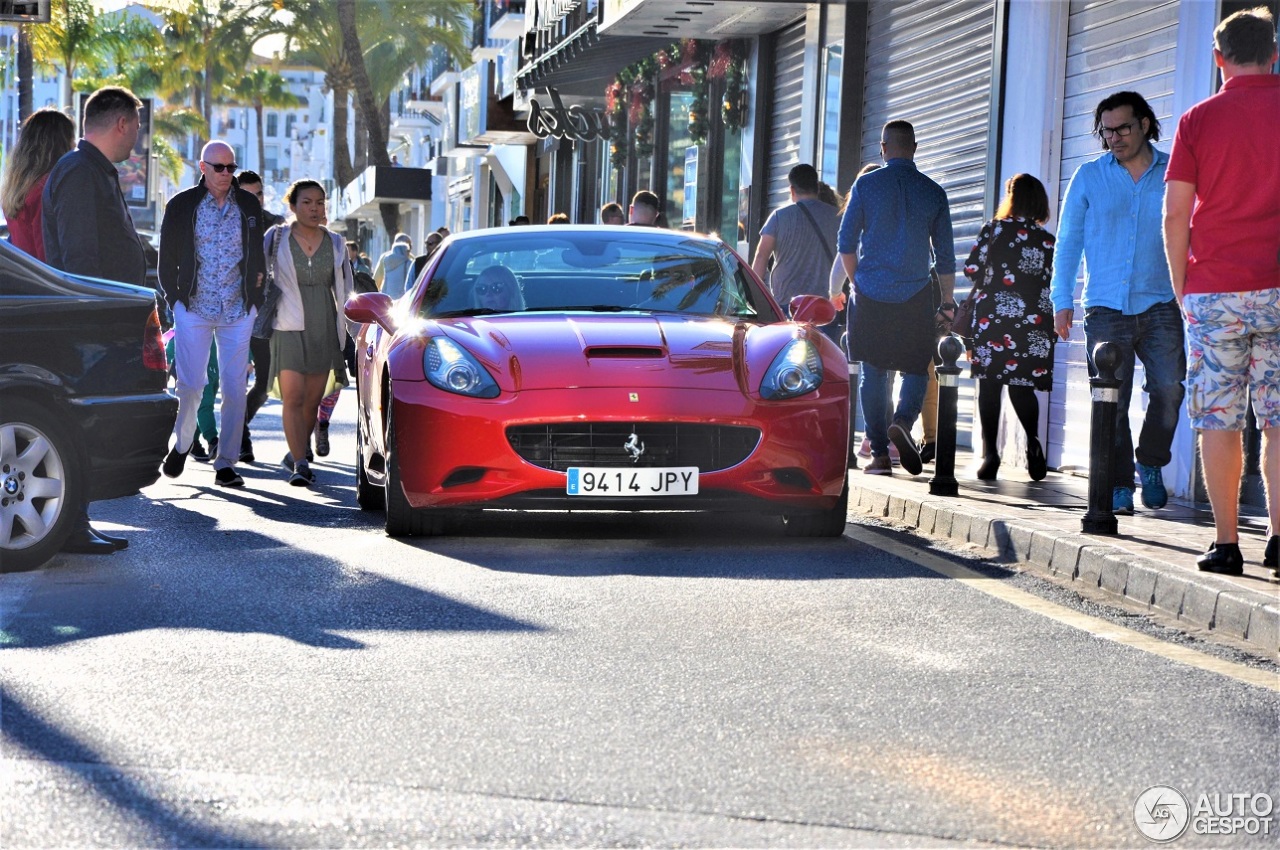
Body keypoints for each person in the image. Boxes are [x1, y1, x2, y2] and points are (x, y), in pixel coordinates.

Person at [1163, 7, 1279, 576]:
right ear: (1274, 52)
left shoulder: (1197, 120)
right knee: (1279, 419)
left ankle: (1228, 544)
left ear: (1218, 59)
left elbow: (1175, 215)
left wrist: (1184, 290)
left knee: (1219, 418)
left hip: (1214, 292)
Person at [1049, 90, 1185, 516]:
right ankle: (1120, 484)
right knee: (1113, 400)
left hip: (1162, 302)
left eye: (1123, 128)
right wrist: (1060, 299)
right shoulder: (1089, 176)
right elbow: (1068, 241)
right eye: (1107, 131)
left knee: (1169, 389)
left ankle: (1150, 461)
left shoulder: (1174, 172)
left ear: (1145, 124)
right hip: (1105, 307)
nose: (1114, 138)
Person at [41, 87, 149, 555]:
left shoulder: (93, 171)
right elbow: (79, 257)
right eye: (137, 126)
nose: (138, 139)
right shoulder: (80, 172)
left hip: (100, 323)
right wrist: (104, 316)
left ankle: (74, 521)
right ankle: (71, 524)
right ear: (121, 123)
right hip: (90, 327)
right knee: (83, 424)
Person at [833, 120, 956, 477]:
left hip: (870, 295)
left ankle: (880, 454)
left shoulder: (866, 185)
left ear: (883, 148)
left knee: (872, 370)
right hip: (916, 295)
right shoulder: (933, 192)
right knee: (916, 366)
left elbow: (845, 242)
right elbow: (945, 257)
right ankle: (902, 420)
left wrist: (858, 282)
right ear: (914, 148)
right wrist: (946, 300)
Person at [158, 140, 267, 489]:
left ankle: (226, 462)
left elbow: (257, 255)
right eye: (218, 167)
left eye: (231, 168)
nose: (225, 174)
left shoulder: (248, 205)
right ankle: (183, 443)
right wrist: (174, 299)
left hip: (237, 309)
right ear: (202, 167)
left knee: (235, 387)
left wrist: (256, 298)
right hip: (193, 307)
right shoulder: (181, 205)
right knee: (191, 385)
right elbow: (166, 258)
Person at [961, 174, 1057, 481]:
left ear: (1011, 198)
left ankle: (991, 455)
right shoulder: (1047, 240)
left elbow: (971, 268)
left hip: (994, 318)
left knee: (989, 386)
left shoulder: (994, 230)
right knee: (1022, 386)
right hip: (1034, 321)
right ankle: (1033, 443)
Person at [266, 179, 354, 486]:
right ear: (292, 206)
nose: (314, 208)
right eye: (307, 202)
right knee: (293, 396)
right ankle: (301, 463)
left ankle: (296, 451)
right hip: (287, 323)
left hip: (324, 324)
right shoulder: (276, 238)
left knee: (311, 402)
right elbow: (258, 275)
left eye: (319, 202)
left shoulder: (337, 243)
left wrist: (352, 329)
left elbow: (346, 289)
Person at [752, 163, 840, 341]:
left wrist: (755, 297)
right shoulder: (838, 216)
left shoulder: (778, 217)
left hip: (788, 305)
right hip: (825, 306)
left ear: (792, 189)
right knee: (825, 360)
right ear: (816, 186)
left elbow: (762, 256)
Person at [228, 169, 279, 464]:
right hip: (231, 313)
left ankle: (239, 427)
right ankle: (240, 440)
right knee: (234, 381)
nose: (254, 199)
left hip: (264, 316)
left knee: (264, 382)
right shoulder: (226, 219)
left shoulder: (276, 225)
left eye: (258, 193)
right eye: (248, 194)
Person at [2, 108, 74, 264]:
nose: (74, 145)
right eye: (71, 138)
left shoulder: (18, 187)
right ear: (59, 143)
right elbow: (46, 255)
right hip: (44, 283)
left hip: (25, 280)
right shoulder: (47, 189)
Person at [373, 233, 413, 299]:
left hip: (388, 296)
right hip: (405, 299)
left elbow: (377, 280)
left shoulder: (385, 258)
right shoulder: (411, 260)